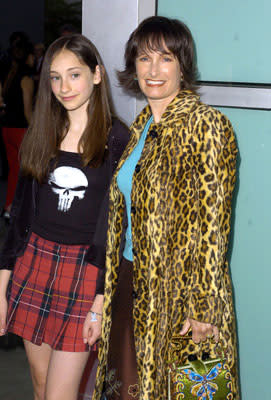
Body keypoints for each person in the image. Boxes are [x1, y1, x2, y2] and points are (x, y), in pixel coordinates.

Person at [89, 16, 239, 400]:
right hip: (130, 282)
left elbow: (212, 228)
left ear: (183, 65)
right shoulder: (141, 126)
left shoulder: (206, 125)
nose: (153, 70)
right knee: (124, 391)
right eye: (144, 58)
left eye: (166, 58)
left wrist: (203, 308)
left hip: (184, 297)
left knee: (190, 393)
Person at [0, 33, 129, 400]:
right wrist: (1, 288)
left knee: (60, 394)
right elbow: (21, 216)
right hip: (34, 263)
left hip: (84, 273)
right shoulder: (40, 133)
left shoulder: (117, 139)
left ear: (97, 75)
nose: (63, 86)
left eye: (74, 74)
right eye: (54, 77)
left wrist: (101, 301)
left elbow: (115, 228)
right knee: (40, 384)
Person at [0, 32, 35, 221]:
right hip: (21, 131)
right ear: (28, 56)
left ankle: (9, 208)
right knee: (27, 173)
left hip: (6, 129)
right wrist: (37, 132)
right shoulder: (26, 78)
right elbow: (28, 111)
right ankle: (20, 210)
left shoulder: (8, 74)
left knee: (15, 170)